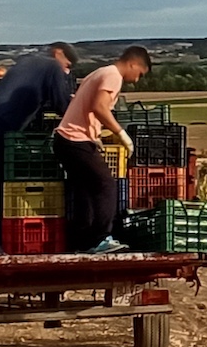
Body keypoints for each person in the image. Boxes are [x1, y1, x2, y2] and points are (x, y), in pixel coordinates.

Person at [0, 42, 76, 256]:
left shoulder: (26, 63)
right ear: (58, 54)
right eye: (68, 65)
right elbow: (62, 105)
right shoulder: (51, 66)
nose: (67, 71)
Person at [53, 45, 152, 254]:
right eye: (139, 74)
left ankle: (82, 241)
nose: (136, 80)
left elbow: (86, 107)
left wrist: (94, 135)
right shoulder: (113, 76)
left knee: (85, 190)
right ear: (132, 63)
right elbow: (99, 107)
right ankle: (101, 239)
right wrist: (120, 133)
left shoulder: (98, 72)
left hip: (65, 140)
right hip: (75, 140)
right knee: (106, 185)